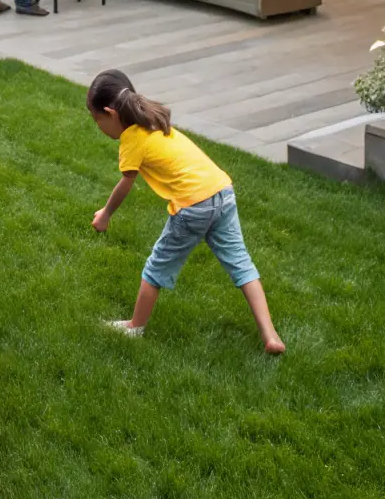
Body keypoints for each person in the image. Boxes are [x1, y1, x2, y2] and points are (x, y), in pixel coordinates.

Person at [86, 70, 285, 354]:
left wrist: (105, 214)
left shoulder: (132, 138)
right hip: (222, 191)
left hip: (193, 205)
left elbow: (125, 183)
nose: (99, 127)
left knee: (155, 269)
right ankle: (270, 335)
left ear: (109, 113)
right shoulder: (153, 119)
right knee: (241, 264)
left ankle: (135, 327)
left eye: (97, 120)